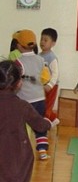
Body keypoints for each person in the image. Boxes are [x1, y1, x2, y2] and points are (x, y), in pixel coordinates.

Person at [0, 60, 59, 182]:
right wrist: (49, 122)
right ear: (18, 83)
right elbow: (41, 125)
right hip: (14, 163)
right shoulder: (22, 106)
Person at [13, 30, 51, 160]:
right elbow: (46, 78)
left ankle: (22, 151)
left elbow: (15, 81)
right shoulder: (41, 59)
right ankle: (42, 150)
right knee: (39, 124)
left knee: (21, 126)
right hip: (40, 98)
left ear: (19, 45)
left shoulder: (18, 62)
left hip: (24, 100)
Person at [39, 28, 60, 121]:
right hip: (42, 85)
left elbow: (55, 74)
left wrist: (50, 85)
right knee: (42, 105)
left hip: (52, 86)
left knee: (48, 105)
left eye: (45, 40)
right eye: (41, 39)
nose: (42, 42)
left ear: (53, 43)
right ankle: (53, 119)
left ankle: (46, 122)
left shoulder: (52, 58)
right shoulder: (38, 56)